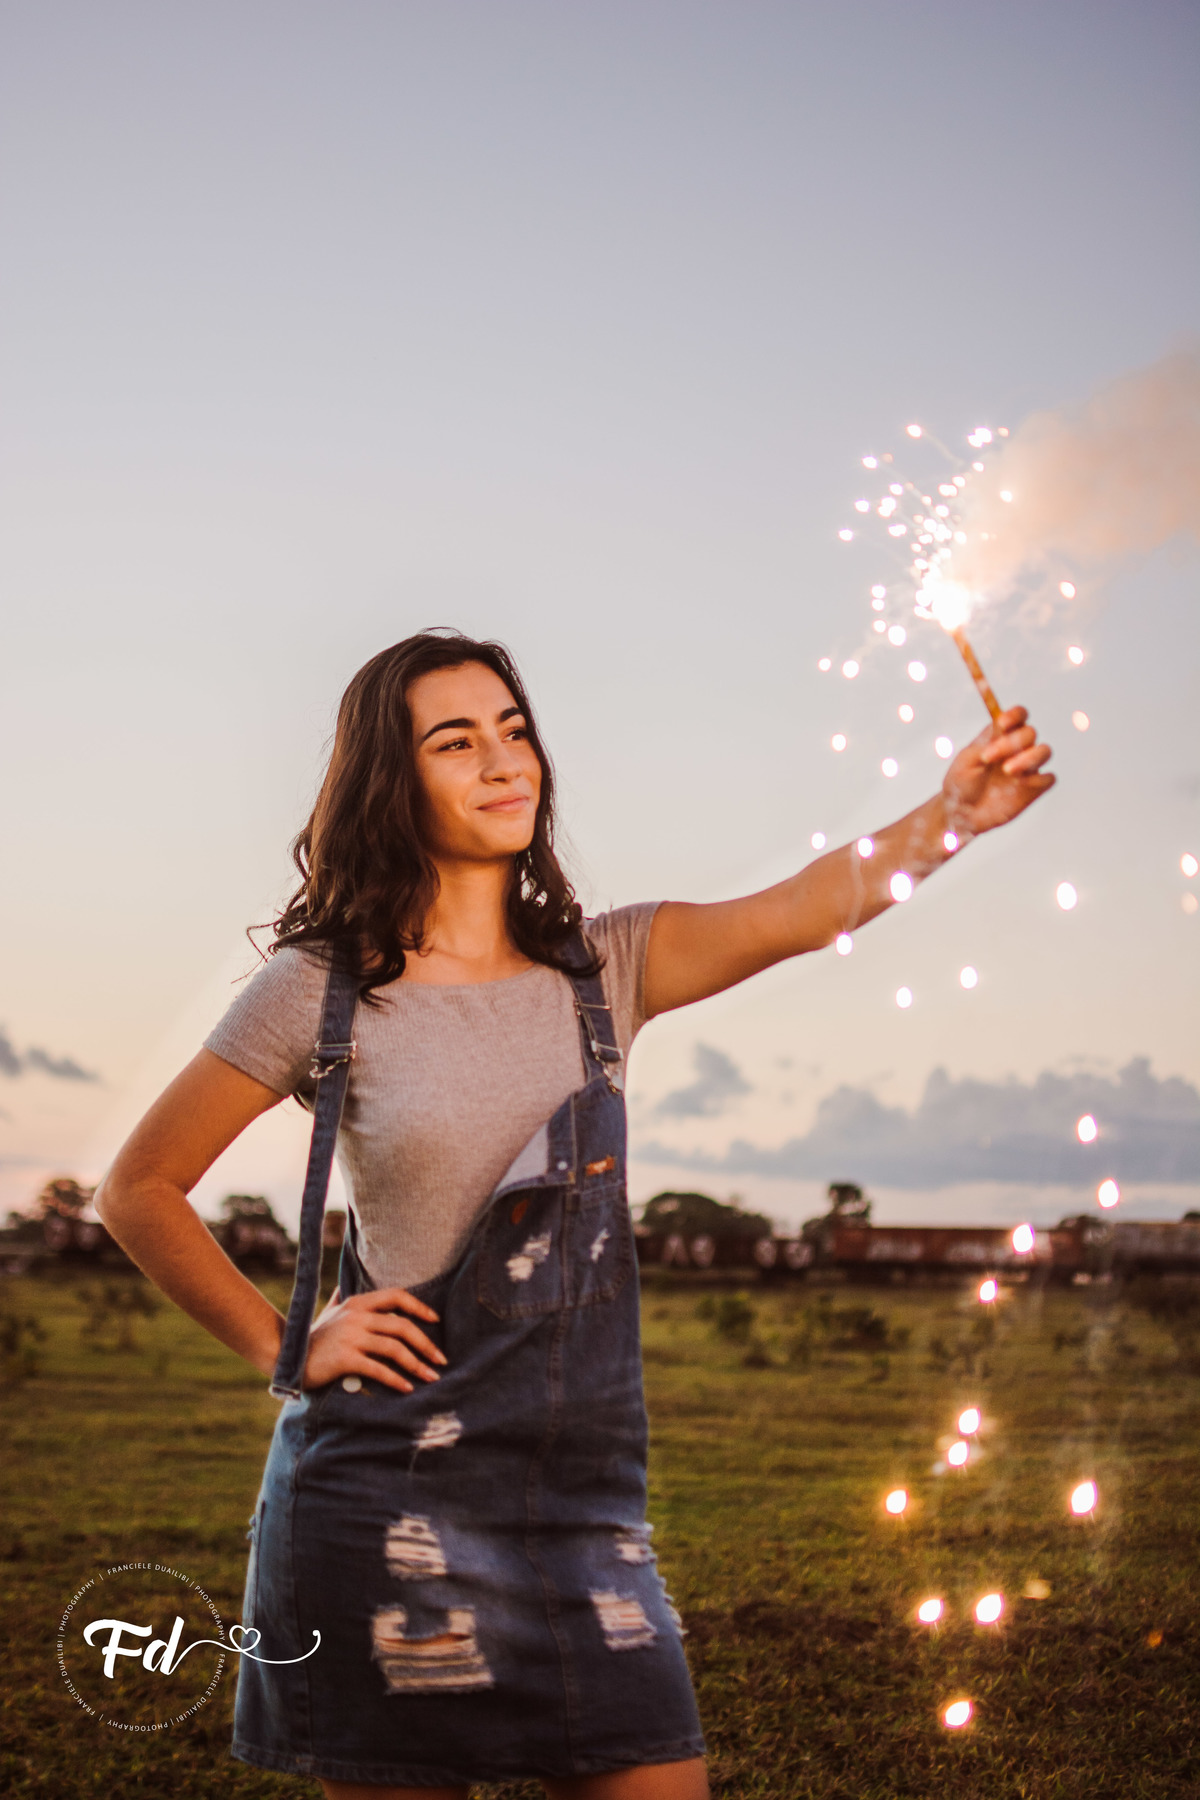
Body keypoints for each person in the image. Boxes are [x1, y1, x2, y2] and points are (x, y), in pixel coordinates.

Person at [95, 630, 1054, 1798]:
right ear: (392, 785)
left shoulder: (608, 965)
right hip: (383, 1492)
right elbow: (137, 1188)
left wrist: (950, 815)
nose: (505, 763)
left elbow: (803, 907)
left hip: (580, 1508)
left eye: (514, 730)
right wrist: (285, 1343)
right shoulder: (323, 987)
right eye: (457, 742)